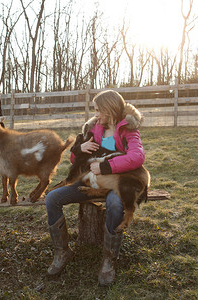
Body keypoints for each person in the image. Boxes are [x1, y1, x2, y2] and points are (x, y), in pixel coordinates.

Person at [45, 90, 145, 285]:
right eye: (95, 110)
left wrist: (105, 167)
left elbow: (137, 157)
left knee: (115, 205)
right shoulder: (94, 128)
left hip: (115, 184)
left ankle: (109, 260)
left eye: (99, 110)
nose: (96, 114)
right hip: (90, 180)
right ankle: (62, 252)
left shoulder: (128, 129)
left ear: (110, 109)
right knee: (52, 198)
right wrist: (78, 149)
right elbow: (77, 160)